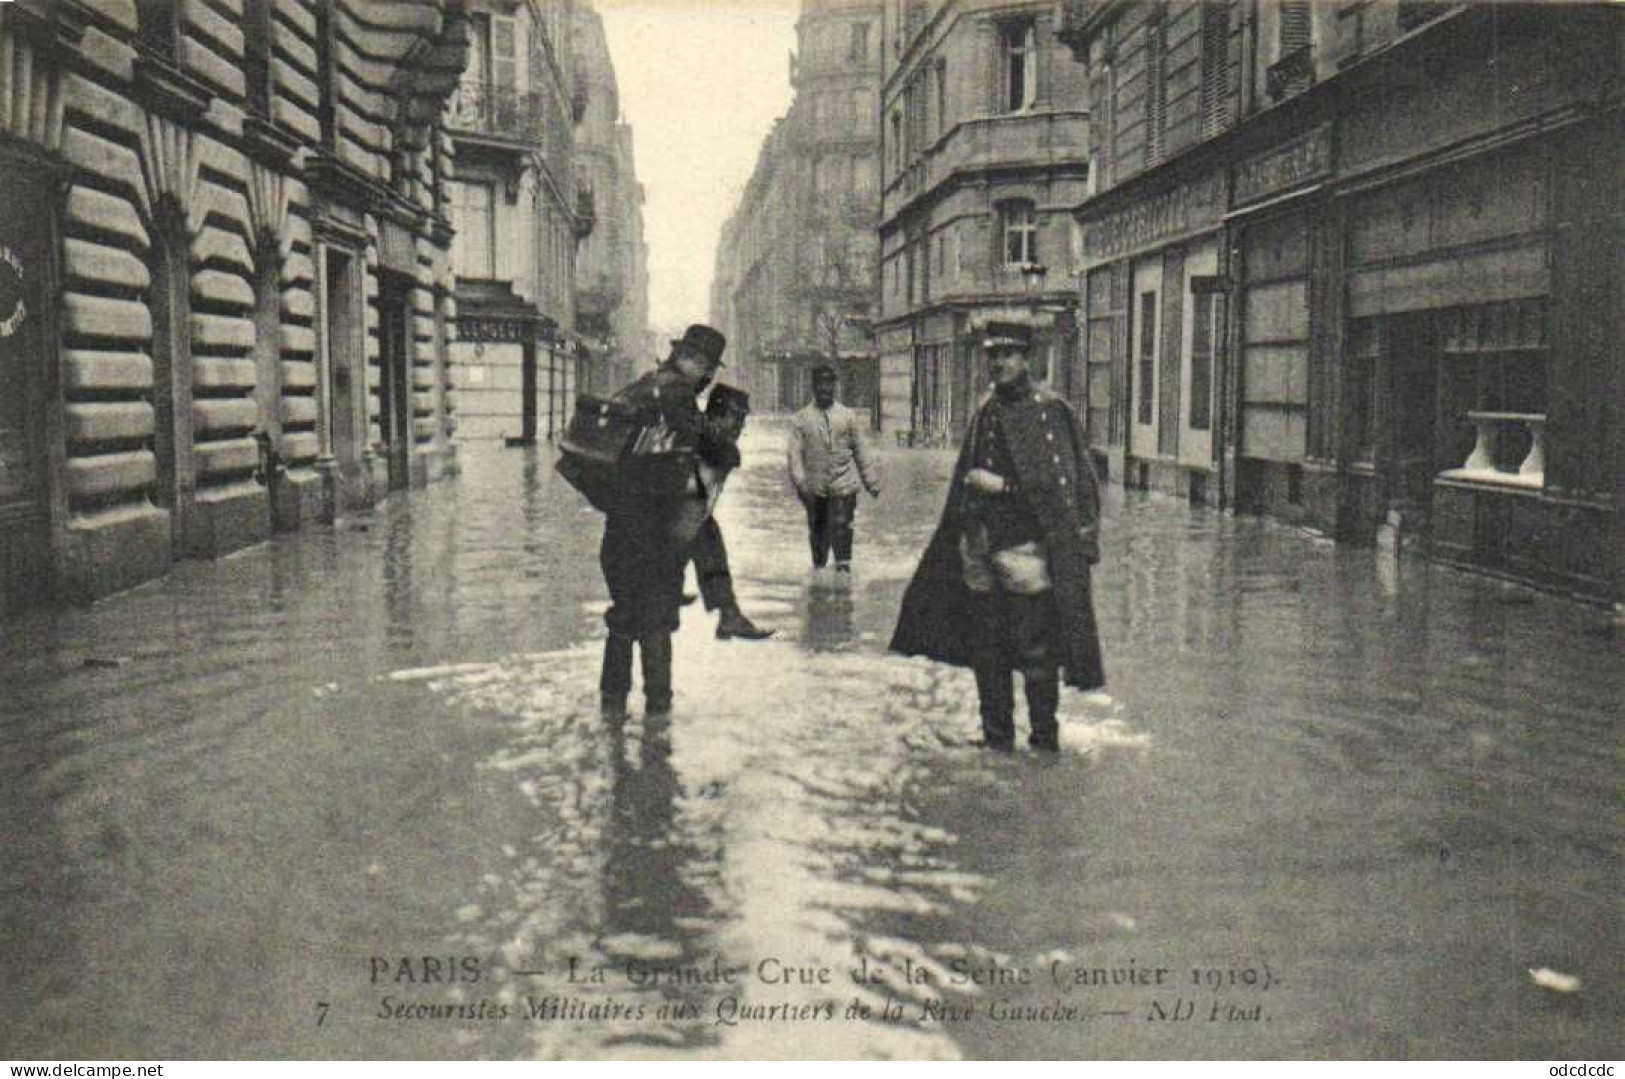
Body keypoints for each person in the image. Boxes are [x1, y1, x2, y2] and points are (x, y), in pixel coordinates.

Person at [889, 322, 1105, 752]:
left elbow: (1067, 490)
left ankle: (1044, 742)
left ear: (1027, 357)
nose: (999, 362)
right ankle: (997, 739)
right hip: (980, 548)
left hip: (1026, 550)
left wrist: (1001, 486)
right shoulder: (987, 408)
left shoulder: (1049, 410)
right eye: (993, 354)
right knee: (988, 649)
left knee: (1035, 650)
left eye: (1008, 353)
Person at [597, 324, 741, 717]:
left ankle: (612, 713)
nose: (708, 379)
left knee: (624, 617)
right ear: (693, 361)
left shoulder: (644, 386)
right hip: (655, 537)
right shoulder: (676, 394)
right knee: (657, 623)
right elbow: (705, 446)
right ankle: (658, 730)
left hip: (619, 534)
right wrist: (728, 448)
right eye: (708, 368)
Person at [787, 365, 881, 573]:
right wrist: (801, 483)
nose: (824, 388)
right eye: (820, 383)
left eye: (828, 383)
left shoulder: (848, 417)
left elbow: (861, 451)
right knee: (818, 535)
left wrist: (871, 482)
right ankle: (819, 579)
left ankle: (843, 573)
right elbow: (794, 456)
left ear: (834, 386)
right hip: (815, 488)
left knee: (842, 525)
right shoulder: (800, 420)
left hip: (844, 485)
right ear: (813, 386)